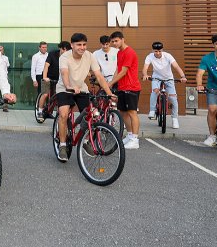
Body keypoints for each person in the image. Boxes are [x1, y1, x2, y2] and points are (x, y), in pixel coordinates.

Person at [55, 33, 115, 162]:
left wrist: (109, 93)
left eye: (84, 44)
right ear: (72, 45)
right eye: (79, 45)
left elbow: (99, 75)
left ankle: (85, 140)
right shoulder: (65, 56)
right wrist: (68, 86)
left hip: (81, 88)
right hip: (65, 88)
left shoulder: (89, 56)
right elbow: (64, 73)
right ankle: (63, 146)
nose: (82, 47)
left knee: (92, 114)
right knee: (64, 114)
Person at [108, 31, 141, 149]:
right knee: (122, 113)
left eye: (116, 41)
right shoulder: (119, 53)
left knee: (132, 112)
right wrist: (111, 83)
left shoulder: (129, 52)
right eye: (112, 42)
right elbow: (118, 69)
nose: (114, 43)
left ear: (123, 39)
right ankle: (130, 135)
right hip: (122, 87)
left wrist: (111, 83)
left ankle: (135, 139)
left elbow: (124, 71)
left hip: (131, 87)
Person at [142, 41, 187, 129]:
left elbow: (176, 66)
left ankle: (174, 119)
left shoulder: (168, 56)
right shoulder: (149, 56)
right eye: (155, 51)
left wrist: (183, 76)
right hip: (156, 78)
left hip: (169, 78)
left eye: (159, 51)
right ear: (152, 50)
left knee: (173, 98)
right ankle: (152, 111)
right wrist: (145, 75)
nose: (158, 53)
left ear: (162, 50)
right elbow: (145, 68)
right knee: (155, 91)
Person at [37, 41, 71, 120]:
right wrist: (45, 77)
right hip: (48, 77)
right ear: (60, 48)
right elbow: (46, 66)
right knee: (45, 94)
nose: (65, 52)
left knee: (58, 95)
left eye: (67, 50)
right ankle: (40, 111)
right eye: (63, 49)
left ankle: (51, 111)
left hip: (59, 79)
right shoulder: (52, 54)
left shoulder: (69, 57)